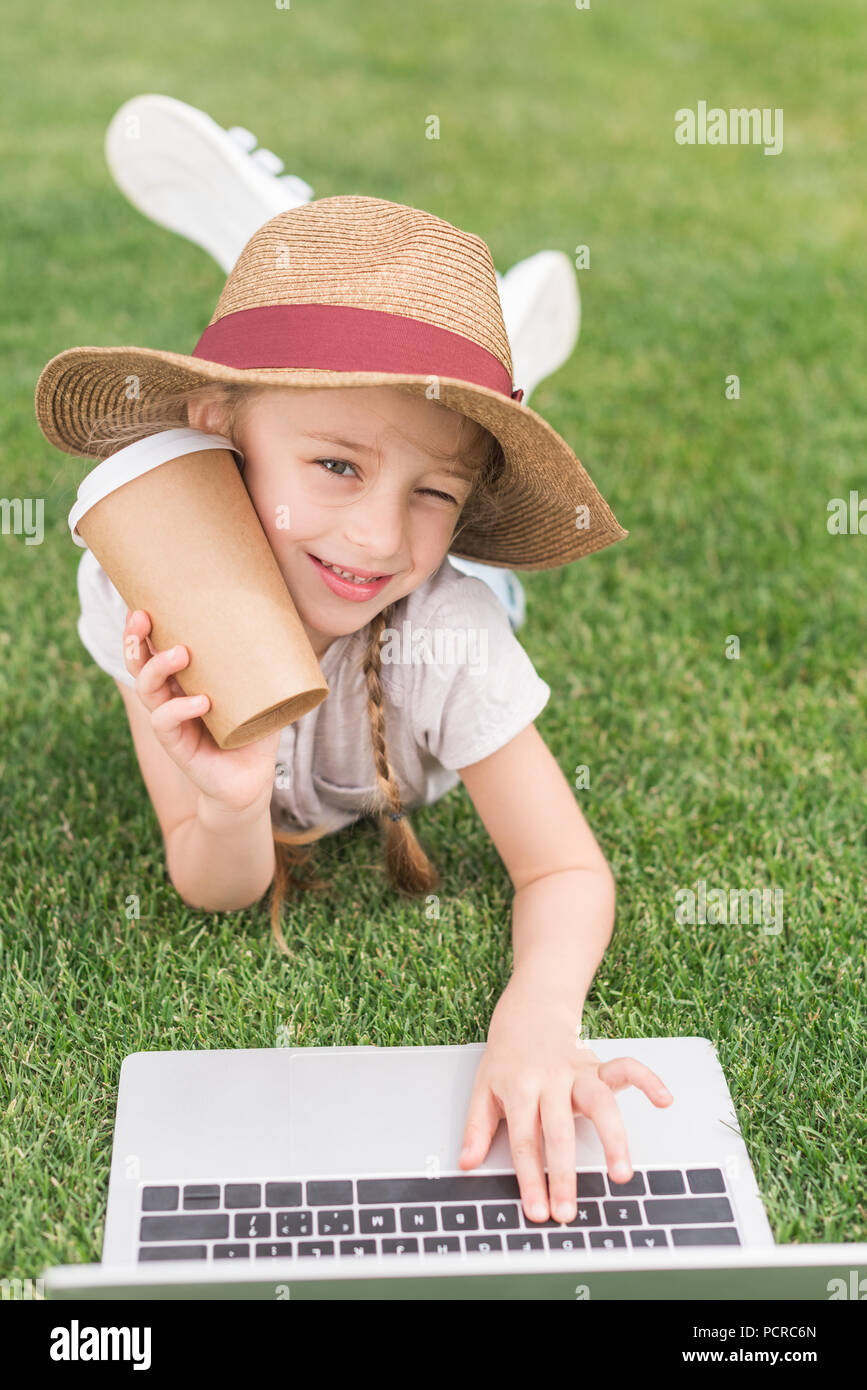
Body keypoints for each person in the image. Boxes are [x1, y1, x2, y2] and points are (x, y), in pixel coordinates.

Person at [35, 193, 673, 1228]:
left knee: (466, 577)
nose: (377, 537)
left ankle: (478, 385)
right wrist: (235, 798)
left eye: (435, 491)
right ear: (219, 428)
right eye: (336, 464)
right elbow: (211, 880)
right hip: (287, 543)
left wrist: (541, 1013)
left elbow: (565, 867)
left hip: (445, 618)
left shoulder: (451, 635)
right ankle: (447, 384)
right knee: (409, 458)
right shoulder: (144, 592)